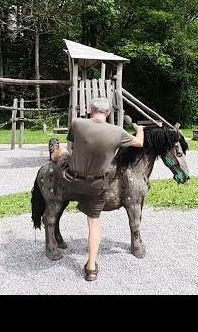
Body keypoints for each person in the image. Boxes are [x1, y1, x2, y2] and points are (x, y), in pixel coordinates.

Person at [50, 97, 144, 281]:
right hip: (96, 185)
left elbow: (73, 146)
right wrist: (139, 129)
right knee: (94, 224)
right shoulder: (118, 132)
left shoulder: (77, 123)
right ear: (108, 113)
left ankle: (53, 151)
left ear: (89, 110)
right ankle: (91, 268)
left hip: (71, 180)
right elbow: (139, 143)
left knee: (61, 150)